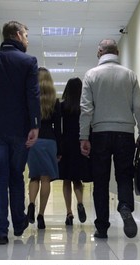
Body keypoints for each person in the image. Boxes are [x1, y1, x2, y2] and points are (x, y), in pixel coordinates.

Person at [0, 21, 41, 245]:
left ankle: (1, 231)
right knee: (16, 175)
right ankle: (19, 223)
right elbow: (33, 96)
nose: (28, 40)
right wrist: (34, 125)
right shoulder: (28, 62)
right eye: (26, 35)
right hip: (20, 129)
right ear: (18, 35)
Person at [79, 39, 140, 239]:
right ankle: (125, 206)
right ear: (117, 52)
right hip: (125, 133)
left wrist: (84, 136)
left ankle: (102, 227)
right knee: (124, 175)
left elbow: (86, 109)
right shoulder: (129, 75)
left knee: (100, 180)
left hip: (99, 133)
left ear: (99, 52)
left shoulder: (91, 75)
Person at [26, 67, 62, 229]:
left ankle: (31, 204)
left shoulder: (29, 98)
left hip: (33, 140)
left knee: (34, 176)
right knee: (46, 178)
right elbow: (58, 128)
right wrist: (60, 150)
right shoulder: (54, 101)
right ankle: (41, 215)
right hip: (49, 141)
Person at [58, 77, 91, 226]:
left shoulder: (62, 106)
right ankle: (80, 202)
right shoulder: (84, 106)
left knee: (66, 180)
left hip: (66, 145)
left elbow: (59, 127)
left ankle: (69, 213)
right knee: (77, 179)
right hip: (80, 144)